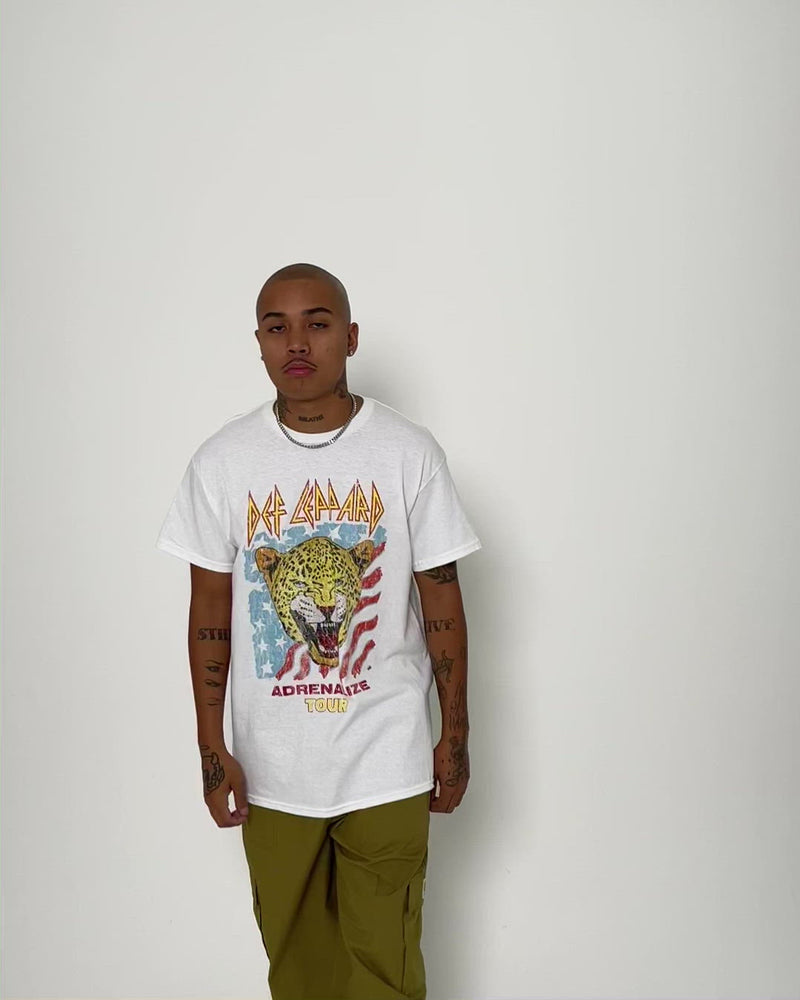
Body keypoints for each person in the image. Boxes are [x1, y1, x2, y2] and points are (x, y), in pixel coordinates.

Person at [155, 262, 481, 1000]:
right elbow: (209, 613)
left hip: (387, 757)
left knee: (385, 974)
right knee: (297, 974)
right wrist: (211, 749)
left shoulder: (407, 451)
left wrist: (454, 736)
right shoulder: (222, 462)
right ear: (259, 343)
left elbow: (444, 602)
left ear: (351, 337)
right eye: (278, 327)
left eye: (318, 323)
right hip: (273, 768)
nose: (297, 342)